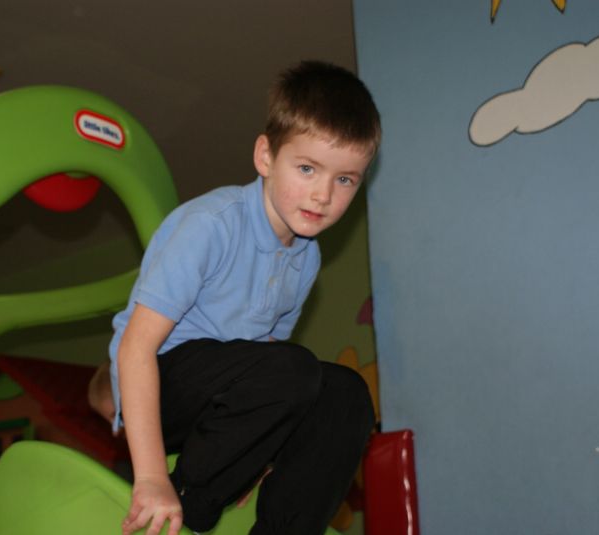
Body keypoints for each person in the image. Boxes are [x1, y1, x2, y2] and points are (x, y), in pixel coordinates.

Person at [91, 59, 381, 535]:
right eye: (307, 168)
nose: (323, 194)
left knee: (345, 393)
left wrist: (253, 454)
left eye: (345, 179)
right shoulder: (211, 225)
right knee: (293, 367)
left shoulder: (305, 257)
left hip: (228, 397)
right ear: (265, 157)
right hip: (161, 386)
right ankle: (192, 498)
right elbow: (135, 346)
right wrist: (152, 477)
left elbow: (267, 359)